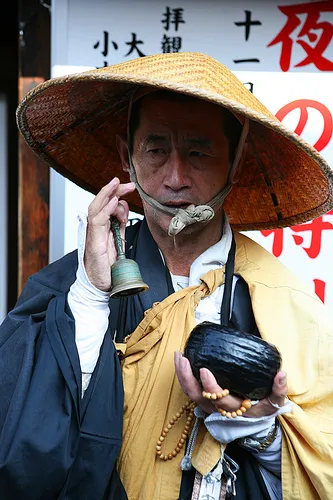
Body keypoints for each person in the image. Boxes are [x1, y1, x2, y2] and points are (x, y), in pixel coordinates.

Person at [1, 52, 333, 500]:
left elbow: (322, 469)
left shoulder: (282, 300)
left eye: (198, 152)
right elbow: (21, 442)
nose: (175, 178)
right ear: (127, 156)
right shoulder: (70, 285)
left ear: (234, 163)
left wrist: (261, 430)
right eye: (156, 150)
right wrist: (91, 296)